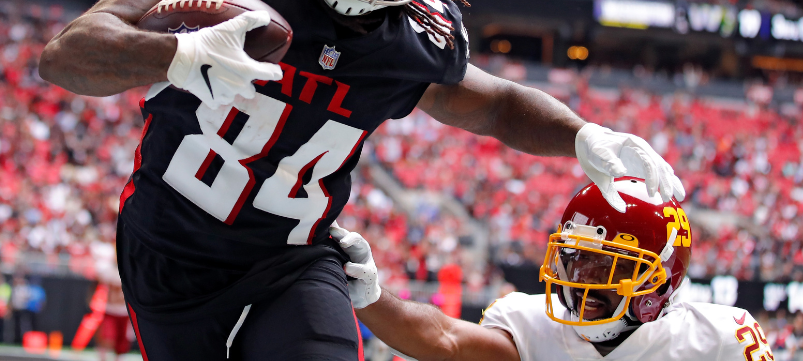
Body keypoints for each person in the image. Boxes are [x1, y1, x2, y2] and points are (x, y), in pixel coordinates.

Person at [39, 0, 683, 361]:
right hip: (167, 251)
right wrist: (177, 54)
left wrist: (581, 134)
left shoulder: (411, 38)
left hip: (291, 259)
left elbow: (494, 103)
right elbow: (65, 56)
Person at [330, 178, 775, 361]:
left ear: (658, 281)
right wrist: (371, 294)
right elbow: (445, 339)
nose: (578, 279)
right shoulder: (533, 323)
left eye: (603, 265)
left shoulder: (718, 338)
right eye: (574, 258)